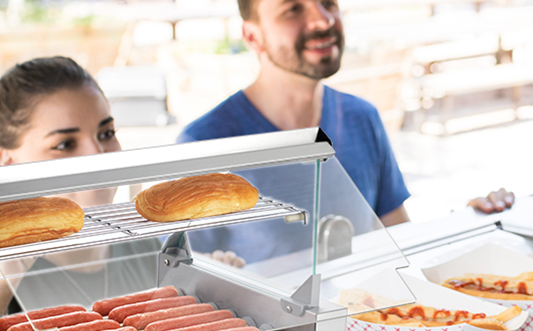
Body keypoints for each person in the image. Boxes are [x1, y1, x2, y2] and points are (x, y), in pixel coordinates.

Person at [177, 0, 513, 232]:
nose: (323, 20)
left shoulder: (362, 118)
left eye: (328, 2)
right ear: (253, 36)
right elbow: (185, 286)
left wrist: (465, 222)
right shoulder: (204, 146)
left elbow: (397, 244)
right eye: (293, 9)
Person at [0, 56, 155, 330]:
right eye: (65, 144)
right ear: (9, 161)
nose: (98, 155)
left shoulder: (149, 247)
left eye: (106, 133)